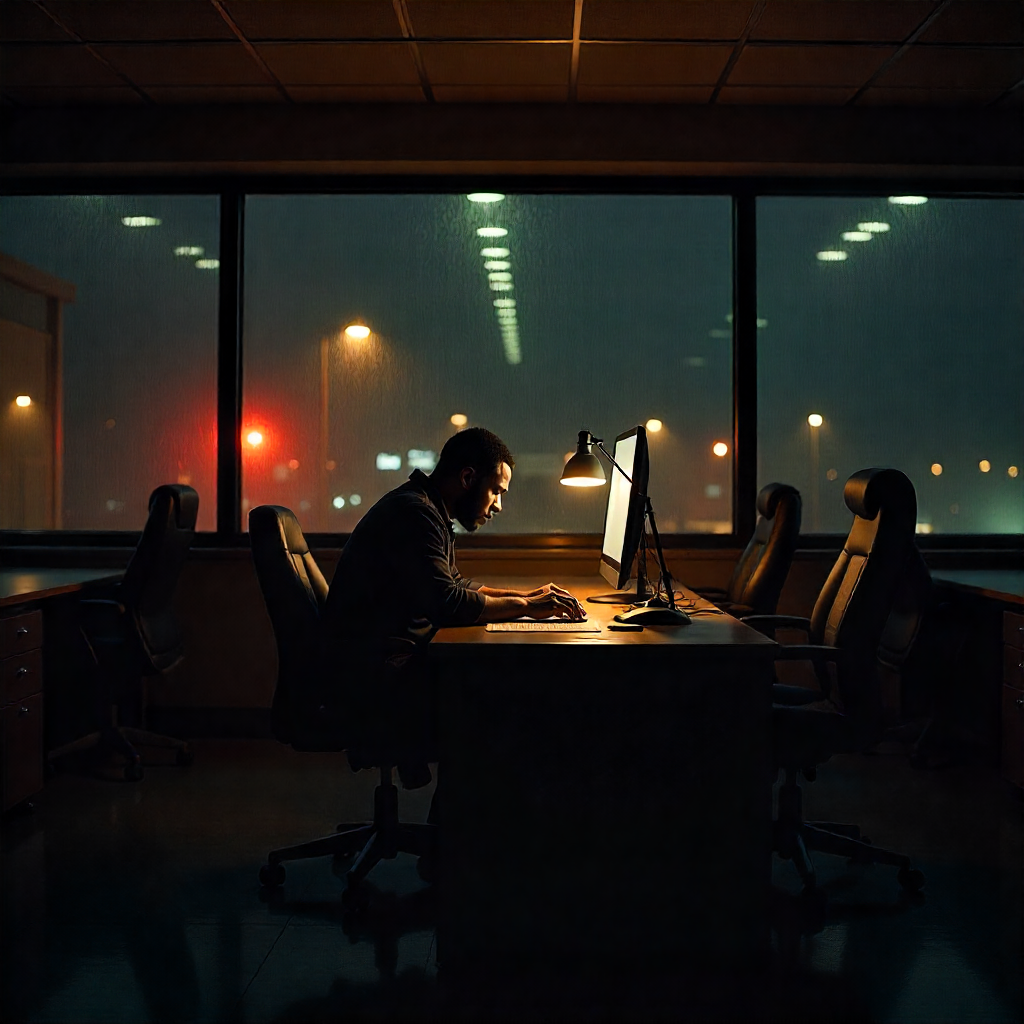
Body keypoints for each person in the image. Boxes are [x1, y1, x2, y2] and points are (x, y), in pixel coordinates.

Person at [318, 427, 584, 791]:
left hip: (379, 665)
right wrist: (526, 606)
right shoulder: (416, 514)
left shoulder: (426, 509)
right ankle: (458, 839)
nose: (498, 506)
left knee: (502, 688)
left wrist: (526, 596)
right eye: (496, 492)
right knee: (509, 700)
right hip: (377, 679)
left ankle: (453, 833)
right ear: (467, 477)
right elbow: (449, 603)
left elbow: (455, 585)